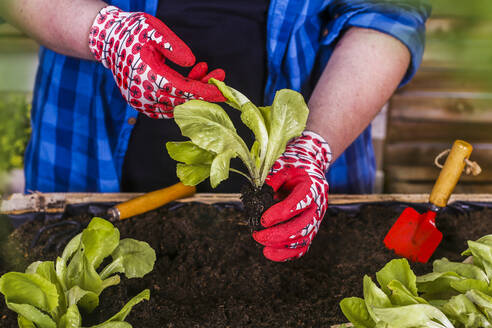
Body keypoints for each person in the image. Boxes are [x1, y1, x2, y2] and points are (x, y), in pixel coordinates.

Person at [0, 0, 431, 261]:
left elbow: (389, 16)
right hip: (85, 153)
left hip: (305, 166)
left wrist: (313, 148)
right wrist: (104, 34)